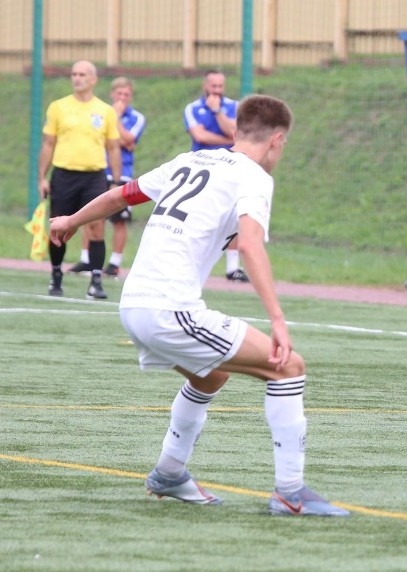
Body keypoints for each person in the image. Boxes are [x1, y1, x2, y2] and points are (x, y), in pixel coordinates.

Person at [49, 94, 348, 517]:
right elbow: (249, 244)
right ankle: (291, 492)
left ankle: (170, 472)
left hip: (134, 304)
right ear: (278, 140)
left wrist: (70, 220)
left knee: (212, 376)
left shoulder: (190, 160)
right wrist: (278, 320)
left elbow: (122, 196)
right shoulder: (255, 178)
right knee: (288, 366)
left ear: (234, 130)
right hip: (170, 310)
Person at [37, 60, 122, 300]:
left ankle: (96, 281)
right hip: (64, 175)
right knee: (59, 227)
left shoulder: (105, 111)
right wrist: (42, 177)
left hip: (94, 176)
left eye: (82, 74)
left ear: (93, 79)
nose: (77, 78)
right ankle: (56, 275)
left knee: (96, 227)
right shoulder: (58, 107)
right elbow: (48, 144)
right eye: (74, 73)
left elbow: (113, 147)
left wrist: (115, 181)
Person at [71, 77, 146, 278]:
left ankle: (114, 263)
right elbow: (98, 139)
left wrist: (116, 118)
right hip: (97, 172)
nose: (122, 98)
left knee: (119, 221)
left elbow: (129, 140)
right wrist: (120, 139)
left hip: (123, 174)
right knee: (92, 216)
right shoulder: (99, 112)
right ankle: (87, 260)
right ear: (112, 94)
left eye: (126, 95)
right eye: (119, 94)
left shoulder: (136, 117)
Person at [184, 70, 248, 283]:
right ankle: (192, 263)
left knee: (234, 215)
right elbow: (199, 135)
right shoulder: (192, 108)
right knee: (199, 216)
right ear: (205, 85)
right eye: (214, 87)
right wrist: (226, 136)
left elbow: (237, 132)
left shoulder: (235, 107)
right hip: (201, 169)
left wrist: (218, 111)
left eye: (221, 87)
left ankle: (232, 268)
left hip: (230, 168)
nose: (217, 91)